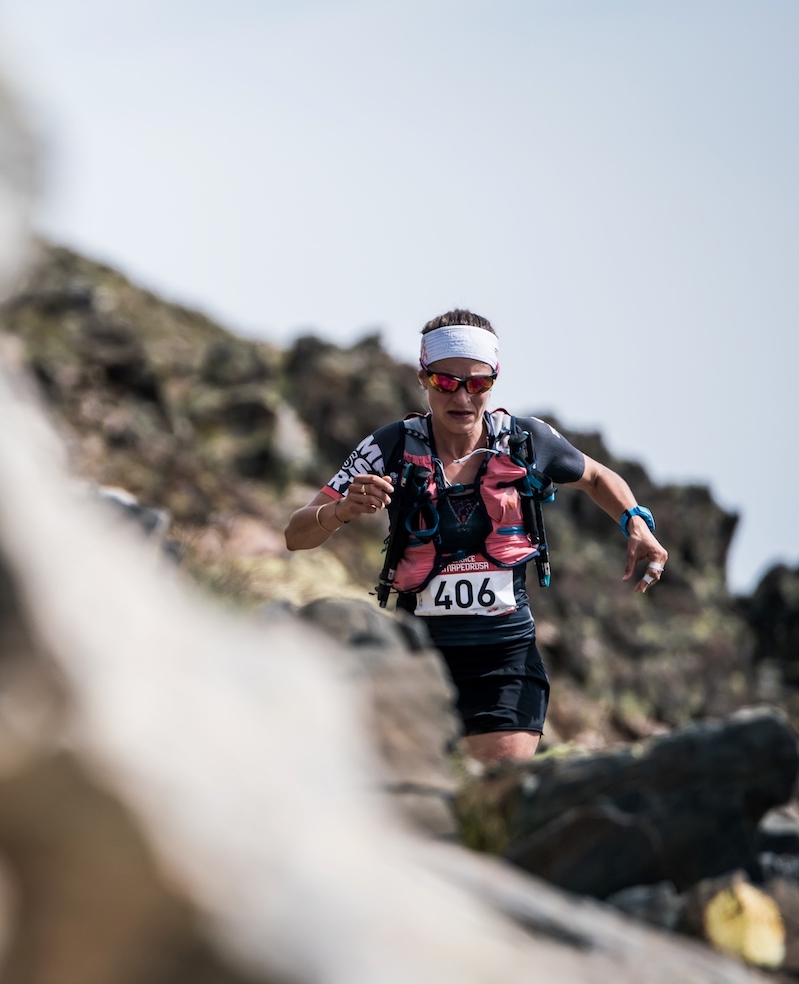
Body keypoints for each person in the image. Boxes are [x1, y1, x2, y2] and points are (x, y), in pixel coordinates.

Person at [284, 310, 668, 764]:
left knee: (497, 789)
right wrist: (340, 510)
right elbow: (295, 535)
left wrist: (635, 521)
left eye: (478, 383)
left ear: (493, 381)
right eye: (446, 382)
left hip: (506, 662)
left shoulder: (526, 440)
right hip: (417, 658)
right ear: (423, 379)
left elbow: (598, 477)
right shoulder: (389, 447)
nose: (462, 397)